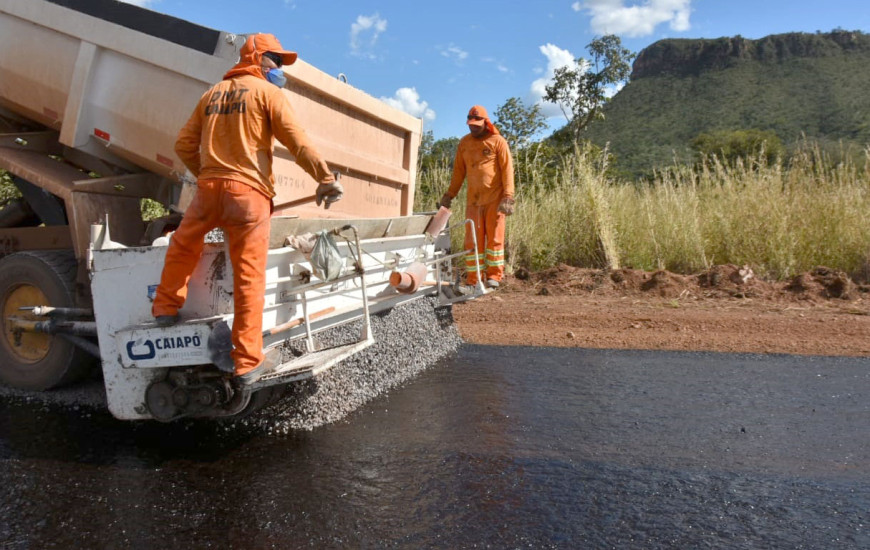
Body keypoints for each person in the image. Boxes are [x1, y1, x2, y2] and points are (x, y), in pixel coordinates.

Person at [151, 33, 343, 386]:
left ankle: (164, 307)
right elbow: (297, 141)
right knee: (249, 276)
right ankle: (247, 362)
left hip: (208, 191)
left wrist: (207, 173)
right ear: (259, 58)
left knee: (183, 243)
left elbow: (183, 144)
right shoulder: (268, 94)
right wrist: (325, 178)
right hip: (248, 195)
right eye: (278, 61)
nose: (281, 68)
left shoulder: (211, 94)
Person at [440, 105, 515, 290]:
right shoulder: (464, 143)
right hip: (473, 202)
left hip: (495, 200)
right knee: (472, 241)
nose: (473, 127)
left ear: (485, 122)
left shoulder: (497, 141)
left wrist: (508, 196)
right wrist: (450, 194)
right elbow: (458, 172)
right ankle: (474, 280)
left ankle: (494, 277)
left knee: (494, 240)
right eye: (470, 124)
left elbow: (507, 170)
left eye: (476, 124)